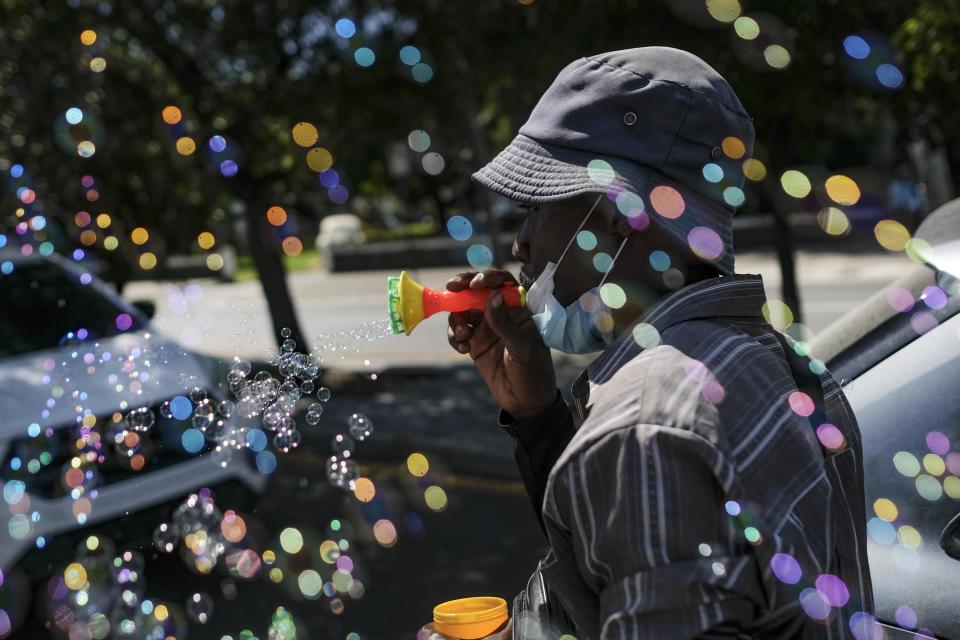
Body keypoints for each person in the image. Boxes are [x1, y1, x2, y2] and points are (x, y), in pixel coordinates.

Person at [427, 47, 874, 639]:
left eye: (537, 207)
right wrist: (539, 419)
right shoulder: (783, 364)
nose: (521, 244)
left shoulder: (645, 424)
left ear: (618, 217)